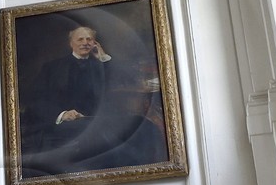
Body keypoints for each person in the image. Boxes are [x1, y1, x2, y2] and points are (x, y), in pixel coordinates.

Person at [22, 25, 167, 177]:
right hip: (67, 123)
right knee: (103, 134)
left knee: (143, 126)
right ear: (71, 43)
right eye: (80, 39)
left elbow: (126, 79)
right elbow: (37, 101)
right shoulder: (52, 68)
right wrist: (62, 114)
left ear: (94, 43)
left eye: (89, 39)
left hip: (100, 118)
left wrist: (103, 58)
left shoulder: (101, 65)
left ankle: (146, 173)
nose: (85, 43)